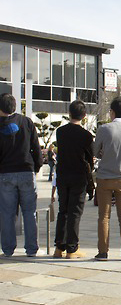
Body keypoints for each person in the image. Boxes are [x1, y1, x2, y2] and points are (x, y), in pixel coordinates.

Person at [93, 97, 121, 261]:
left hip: (104, 177)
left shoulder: (104, 129)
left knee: (104, 216)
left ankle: (103, 251)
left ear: (112, 112)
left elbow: (95, 151)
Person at [0, 93, 43, 257]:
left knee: (7, 214)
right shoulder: (26, 122)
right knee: (30, 212)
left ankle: (8, 249)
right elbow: (36, 147)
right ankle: (31, 249)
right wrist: (36, 166)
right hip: (26, 171)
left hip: (5, 173)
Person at [53, 100, 94, 260]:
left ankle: (59, 247)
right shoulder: (86, 135)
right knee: (75, 212)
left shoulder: (60, 132)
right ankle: (72, 248)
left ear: (69, 113)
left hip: (63, 175)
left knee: (63, 210)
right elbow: (90, 158)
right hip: (79, 176)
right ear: (84, 116)